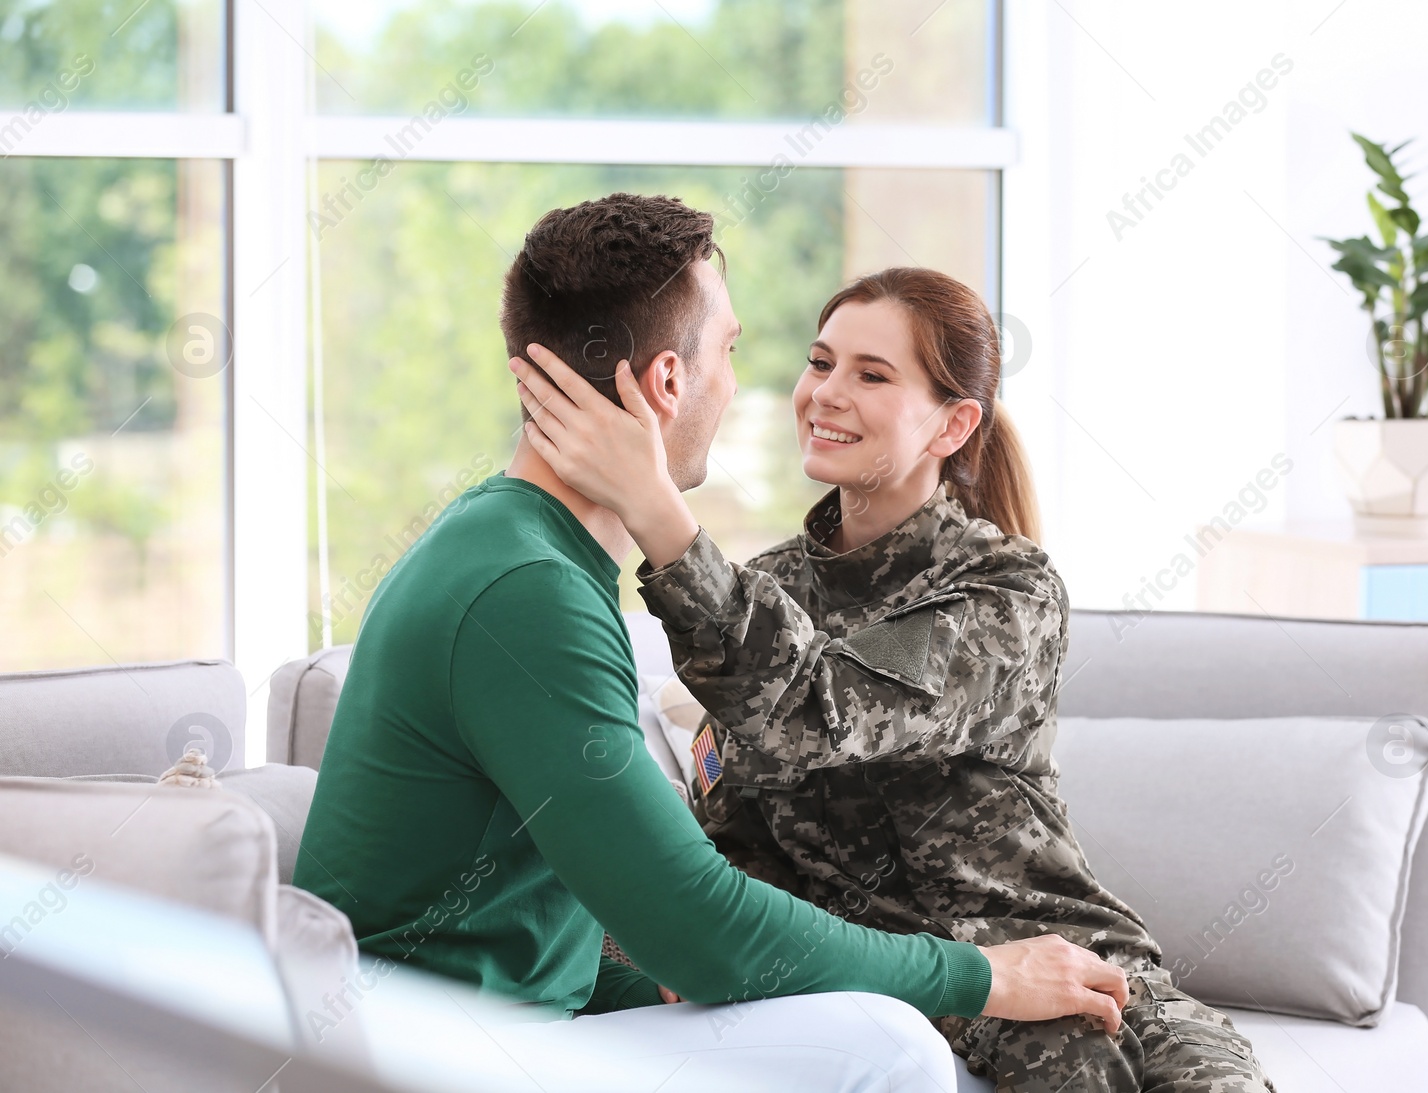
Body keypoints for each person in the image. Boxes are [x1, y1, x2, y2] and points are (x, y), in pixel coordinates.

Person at [294, 194, 1135, 1093]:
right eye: (729, 351)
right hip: (436, 1059)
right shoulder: (524, 591)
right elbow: (694, 922)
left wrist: (652, 989)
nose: (751, 385)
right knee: (890, 1047)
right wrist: (985, 974)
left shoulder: (508, 547)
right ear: (665, 383)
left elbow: (549, 917)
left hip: (472, 1033)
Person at [509, 265, 1278, 1093]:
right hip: (907, 986)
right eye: (821, 362)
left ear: (953, 424)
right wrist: (664, 954)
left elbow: (816, 707)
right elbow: (734, 837)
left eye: (871, 375)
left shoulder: (1009, 591)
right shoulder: (756, 598)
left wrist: (655, 507)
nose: (826, 392)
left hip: (1057, 959)